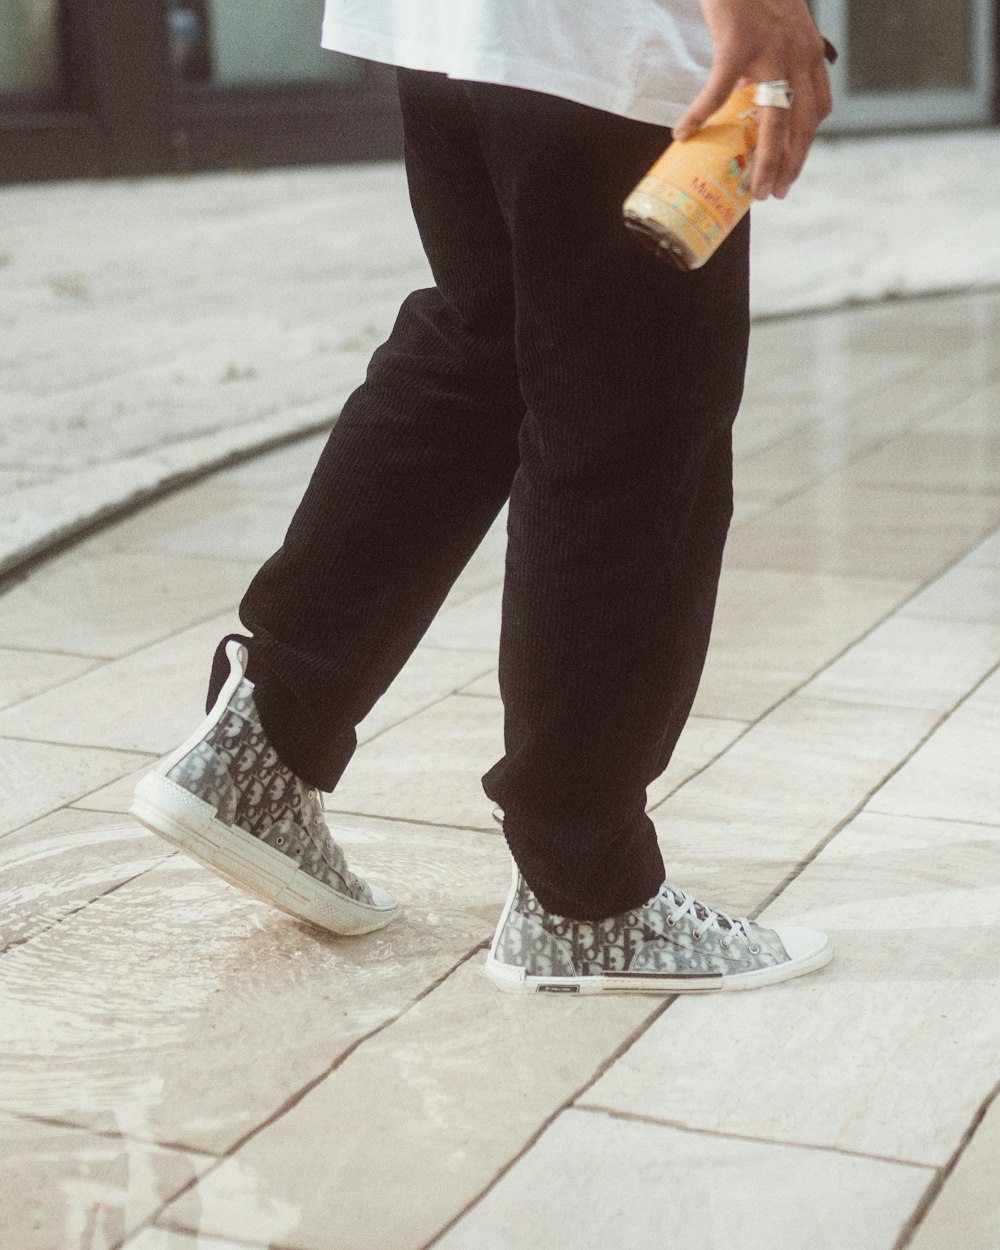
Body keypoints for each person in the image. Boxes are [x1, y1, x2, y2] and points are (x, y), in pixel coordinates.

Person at [132, 0, 835, 993]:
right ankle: (584, 893)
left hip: (460, 27)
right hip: (605, 39)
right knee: (632, 408)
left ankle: (264, 742)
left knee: (487, 345)